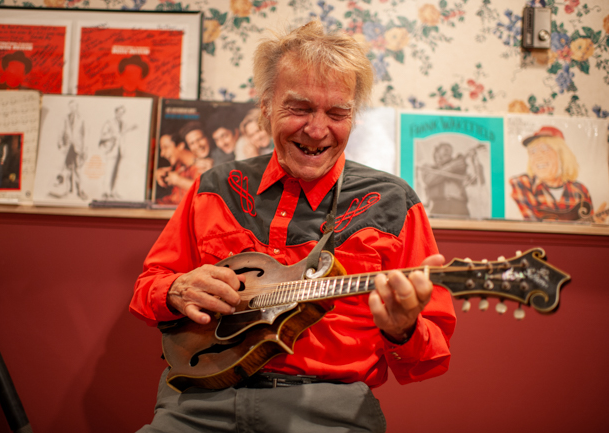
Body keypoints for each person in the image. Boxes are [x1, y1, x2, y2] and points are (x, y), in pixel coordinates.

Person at [131, 20, 456, 433]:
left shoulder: (395, 203)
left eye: (337, 113)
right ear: (266, 105)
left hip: (329, 411)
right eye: (299, 109)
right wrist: (175, 290)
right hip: (197, 401)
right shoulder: (212, 188)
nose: (317, 130)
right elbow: (147, 288)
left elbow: (431, 358)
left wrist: (403, 329)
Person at [509, 126, 607, 222]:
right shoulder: (522, 184)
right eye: (533, 151)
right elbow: (531, 226)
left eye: (544, 150)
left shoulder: (580, 191)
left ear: (562, 155)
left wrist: (594, 223)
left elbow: (585, 229)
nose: (537, 157)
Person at [419, 142, 484, 217]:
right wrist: (451, 167)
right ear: (436, 153)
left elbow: (475, 182)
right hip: (438, 206)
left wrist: (474, 161)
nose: (442, 157)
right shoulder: (428, 167)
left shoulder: (458, 170)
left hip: (459, 206)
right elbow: (428, 180)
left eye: (448, 155)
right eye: (442, 153)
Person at [98, 105, 137, 199]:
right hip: (111, 150)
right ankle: (105, 192)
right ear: (115, 112)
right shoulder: (109, 123)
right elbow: (102, 136)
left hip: (120, 151)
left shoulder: (123, 123)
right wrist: (112, 135)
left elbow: (123, 133)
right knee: (109, 172)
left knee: (116, 173)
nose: (120, 114)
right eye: (119, 112)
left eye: (122, 113)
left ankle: (113, 192)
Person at [52, 100, 87, 200]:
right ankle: (67, 190)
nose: (72, 109)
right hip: (68, 148)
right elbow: (61, 131)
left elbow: (85, 135)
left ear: (77, 107)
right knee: (67, 169)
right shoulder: (65, 118)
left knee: (77, 170)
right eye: (70, 107)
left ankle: (80, 191)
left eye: (74, 107)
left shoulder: (82, 119)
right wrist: (60, 144)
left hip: (78, 148)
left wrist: (84, 149)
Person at [154, 133, 201, 206]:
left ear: (180, 146)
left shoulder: (202, 165)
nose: (162, 154)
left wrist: (177, 180)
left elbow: (204, 191)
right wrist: (159, 173)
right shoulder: (179, 166)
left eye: (165, 147)